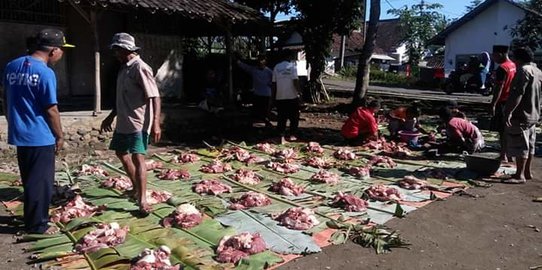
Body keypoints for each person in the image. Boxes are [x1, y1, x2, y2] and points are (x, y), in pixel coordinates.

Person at [2, 29, 74, 234]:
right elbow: (51, 109)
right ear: (53, 50)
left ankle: (32, 218)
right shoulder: (45, 72)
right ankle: (37, 225)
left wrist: (12, 121)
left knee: (29, 179)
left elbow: (5, 99)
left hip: (20, 134)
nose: (62, 54)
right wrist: (59, 135)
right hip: (40, 135)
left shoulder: (12, 66)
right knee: (41, 183)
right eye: (61, 50)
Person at [100, 33, 161, 215]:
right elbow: (123, 99)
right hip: (124, 120)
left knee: (137, 156)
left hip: (138, 121)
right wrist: (111, 116)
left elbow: (155, 96)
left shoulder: (140, 68)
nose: (115, 54)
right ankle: (135, 187)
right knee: (121, 153)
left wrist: (156, 123)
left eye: (117, 50)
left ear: (126, 49)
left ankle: (142, 200)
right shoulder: (124, 68)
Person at [502, 47, 541, 184]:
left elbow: (518, 93)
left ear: (518, 59)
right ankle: (527, 171)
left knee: (520, 145)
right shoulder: (537, 71)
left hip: (522, 113)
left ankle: (519, 175)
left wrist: (509, 112)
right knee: (530, 145)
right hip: (534, 113)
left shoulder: (523, 71)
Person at [489, 45, 517, 162]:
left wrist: (493, 104)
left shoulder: (502, 68)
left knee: (502, 130)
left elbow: (499, 88)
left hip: (503, 101)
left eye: (494, 55)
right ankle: (510, 154)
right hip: (513, 101)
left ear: (500, 54)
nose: (493, 58)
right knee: (510, 128)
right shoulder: (514, 66)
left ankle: (503, 155)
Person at [272, 50, 302, 142]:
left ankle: (281, 135)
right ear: (289, 57)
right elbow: (295, 81)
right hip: (291, 96)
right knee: (294, 117)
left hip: (280, 96)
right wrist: (299, 93)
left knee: (282, 117)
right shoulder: (292, 67)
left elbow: (274, 83)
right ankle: (292, 134)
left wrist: (273, 96)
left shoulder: (276, 67)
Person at [237, 55, 273, 127]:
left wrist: (270, 85)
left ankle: (267, 123)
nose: (261, 61)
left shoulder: (269, 71)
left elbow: (274, 81)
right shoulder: (254, 70)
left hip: (266, 94)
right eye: (259, 60)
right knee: (257, 110)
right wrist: (238, 62)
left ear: (265, 61)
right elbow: (245, 67)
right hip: (257, 94)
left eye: (262, 60)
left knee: (266, 111)